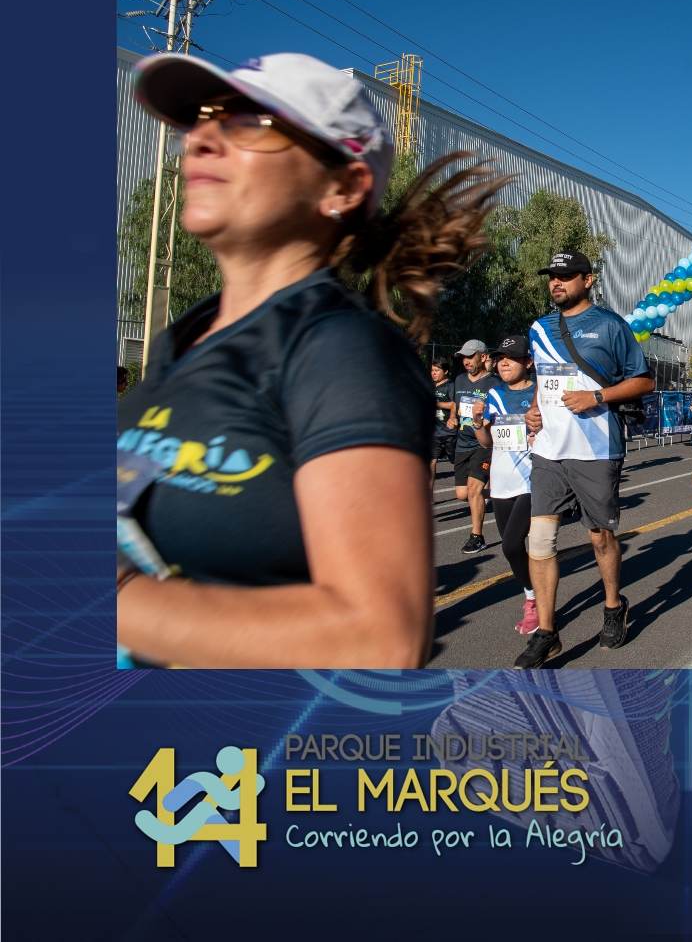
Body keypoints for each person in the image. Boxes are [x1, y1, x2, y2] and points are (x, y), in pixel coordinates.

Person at [116, 50, 505, 667]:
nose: (201, 140)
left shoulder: (341, 349)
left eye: (250, 122)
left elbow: (379, 637)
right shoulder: (181, 340)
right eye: (202, 119)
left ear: (342, 187)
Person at [515, 250, 655, 668]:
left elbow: (643, 380)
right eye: (552, 276)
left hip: (596, 448)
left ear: (588, 280)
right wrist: (533, 409)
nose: (556, 282)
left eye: (566, 275)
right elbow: (542, 378)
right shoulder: (539, 328)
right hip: (548, 449)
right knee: (540, 540)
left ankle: (613, 606)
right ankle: (546, 632)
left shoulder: (611, 325)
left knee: (599, 537)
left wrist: (597, 396)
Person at [471, 335, 539, 635]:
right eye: (500, 359)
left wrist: (539, 434)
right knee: (512, 550)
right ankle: (532, 594)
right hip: (500, 482)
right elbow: (486, 442)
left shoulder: (539, 393)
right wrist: (477, 422)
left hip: (531, 481)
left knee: (512, 543)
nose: (504, 363)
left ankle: (535, 601)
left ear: (528, 362)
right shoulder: (495, 395)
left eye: (511, 358)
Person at [450, 339, 497, 554]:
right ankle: (510, 494)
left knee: (473, 489)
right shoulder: (460, 380)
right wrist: (453, 417)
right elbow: (456, 403)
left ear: (483, 356)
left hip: (484, 443)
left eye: (470, 357)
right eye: (464, 358)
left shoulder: (495, 383)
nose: (466, 361)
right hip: (463, 443)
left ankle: (477, 537)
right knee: (463, 494)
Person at [429, 357, 457, 489]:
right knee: (431, 462)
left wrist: (437, 404)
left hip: (449, 432)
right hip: (434, 432)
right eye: (432, 370)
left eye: (436, 370)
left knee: (455, 463)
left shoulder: (450, 385)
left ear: (445, 371)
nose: (433, 373)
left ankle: (466, 489)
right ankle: (429, 494)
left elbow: (454, 403)